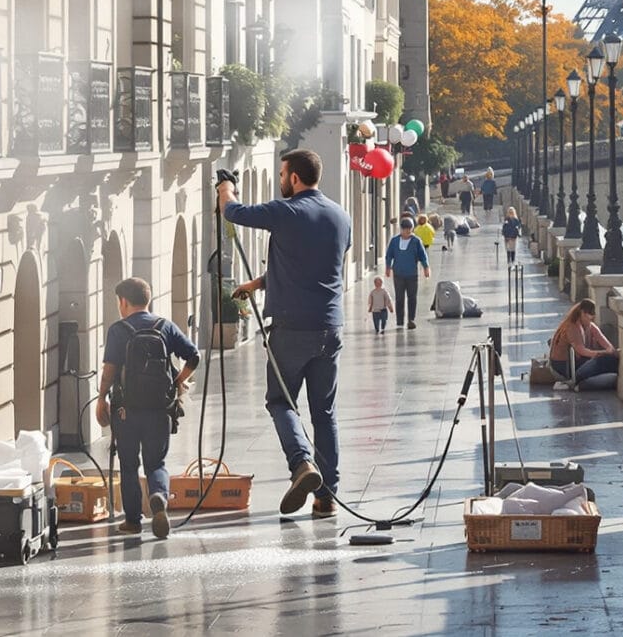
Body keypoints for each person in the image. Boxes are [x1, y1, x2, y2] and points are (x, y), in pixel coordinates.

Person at [219, 149, 353, 519]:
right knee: (324, 412)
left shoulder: (286, 211)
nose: (280, 181)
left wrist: (225, 188)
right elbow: (311, 267)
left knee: (281, 403)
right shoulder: (341, 217)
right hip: (330, 327)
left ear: (294, 178)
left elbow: (235, 213)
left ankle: (301, 464)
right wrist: (258, 283)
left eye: (282, 175)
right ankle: (327, 496)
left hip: (291, 329)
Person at [95, 276, 200, 538]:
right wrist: (177, 382)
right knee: (157, 463)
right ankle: (158, 498)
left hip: (125, 410)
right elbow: (194, 356)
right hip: (159, 409)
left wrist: (101, 398)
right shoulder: (165, 327)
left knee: (129, 464)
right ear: (148, 299)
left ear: (124, 302)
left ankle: (132, 520)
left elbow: (109, 370)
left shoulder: (118, 330)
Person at [548, 299, 620, 389]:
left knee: (611, 360)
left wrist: (613, 352)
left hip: (579, 363)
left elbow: (607, 345)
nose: (591, 320)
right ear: (582, 313)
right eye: (589, 317)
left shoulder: (590, 325)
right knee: (602, 360)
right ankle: (580, 384)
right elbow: (582, 351)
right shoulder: (572, 327)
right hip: (565, 368)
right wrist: (602, 353)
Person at [383, 217, 428, 331]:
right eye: (405, 229)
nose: (407, 232)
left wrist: (426, 267)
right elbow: (389, 255)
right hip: (398, 274)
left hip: (412, 274)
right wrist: (388, 267)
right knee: (399, 298)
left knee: (412, 297)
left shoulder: (416, 241)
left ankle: (411, 319)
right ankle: (399, 320)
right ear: (401, 229)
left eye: (410, 229)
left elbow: (422, 255)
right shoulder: (394, 241)